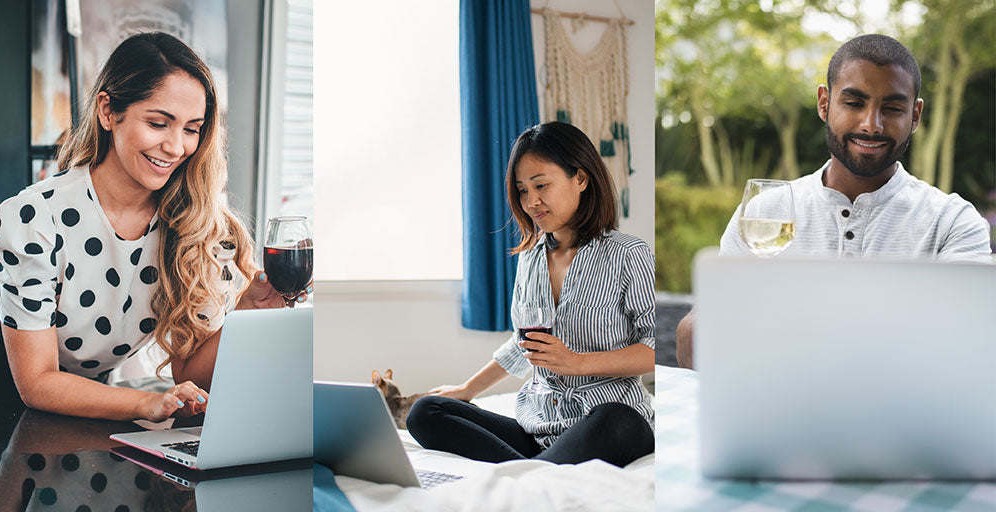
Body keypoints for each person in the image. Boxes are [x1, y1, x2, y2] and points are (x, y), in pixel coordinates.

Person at [0, 32, 309, 420]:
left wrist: (249, 313)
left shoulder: (195, 226)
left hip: (77, 407)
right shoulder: (35, 216)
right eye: (158, 123)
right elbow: (37, 382)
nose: (175, 146)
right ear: (107, 111)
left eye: (191, 128)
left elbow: (192, 375)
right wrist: (144, 403)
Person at [675, 34, 992, 369]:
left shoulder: (953, 221)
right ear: (824, 103)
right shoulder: (764, 211)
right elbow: (698, 338)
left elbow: (967, 346)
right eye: (854, 103)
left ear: (915, 115)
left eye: (893, 108)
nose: (871, 124)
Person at [406, 122, 656, 468]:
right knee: (425, 412)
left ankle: (532, 470)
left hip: (603, 421)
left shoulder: (629, 254)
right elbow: (523, 344)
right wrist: (467, 390)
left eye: (541, 185)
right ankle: (539, 470)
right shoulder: (530, 257)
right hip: (538, 427)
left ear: (580, 179)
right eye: (522, 190)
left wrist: (577, 363)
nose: (531, 201)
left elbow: (654, 347)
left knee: (618, 421)